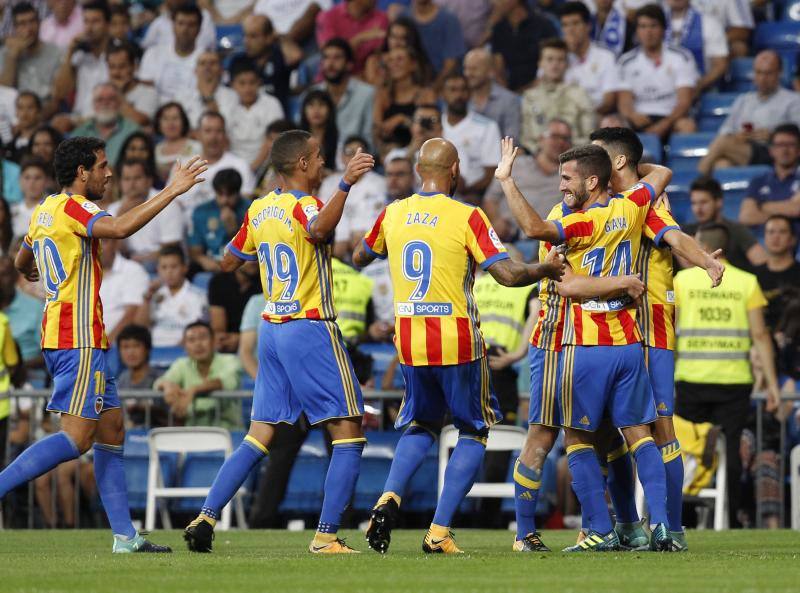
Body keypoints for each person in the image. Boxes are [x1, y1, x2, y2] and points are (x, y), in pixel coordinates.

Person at [354, 137, 563, 554]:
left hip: (410, 339)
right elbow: (504, 274)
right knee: (473, 430)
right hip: (456, 338)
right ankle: (438, 531)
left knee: (422, 424)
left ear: (418, 171)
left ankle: (389, 497)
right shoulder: (468, 215)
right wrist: (545, 268)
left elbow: (360, 257)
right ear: (454, 171)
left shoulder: (392, 213)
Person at [3, 136, 206, 552]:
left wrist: (31, 271)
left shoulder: (44, 211)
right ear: (82, 173)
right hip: (76, 340)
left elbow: (21, 260)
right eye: (102, 165)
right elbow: (119, 228)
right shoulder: (78, 207)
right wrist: (172, 189)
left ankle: (125, 537)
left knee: (112, 433)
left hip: (77, 337)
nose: (108, 172)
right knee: (76, 439)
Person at [183, 130, 376, 554]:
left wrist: (264, 245)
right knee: (348, 430)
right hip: (309, 325)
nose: (324, 164)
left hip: (271, 325)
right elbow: (320, 230)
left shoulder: (260, 208)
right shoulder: (307, 204)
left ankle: (205, 517)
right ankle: (326, 536)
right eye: (319, 158)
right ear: (303, 164)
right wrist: (346, 184)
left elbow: (228, 260)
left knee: (259, 433)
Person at [496, 139, 675, 551]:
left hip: (577, 341)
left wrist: (506, 179)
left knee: (567, 438)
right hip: (626, 338)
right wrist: (622, 169)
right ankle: (656, 525)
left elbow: (564, 275)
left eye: (566, 178)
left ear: (593, 180)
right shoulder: (632, 205)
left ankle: (595, 528)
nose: (560, 187)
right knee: (634, 434)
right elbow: (662, 173)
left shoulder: (572, 219)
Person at [591, 126, 725, 551]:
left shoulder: (642, 207)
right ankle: (630, 526)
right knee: (612, 433)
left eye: (597, 158)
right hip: (612, 334)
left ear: (616, 164)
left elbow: (674, 235)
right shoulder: (617, 206)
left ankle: (669, 526)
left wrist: (704, 260)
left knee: (660, 427)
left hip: (650, 332)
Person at [674, 223, 781, 527]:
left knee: (686, 452)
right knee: (732, 451)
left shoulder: (682, 281)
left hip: (691, 380)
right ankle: (730, 517)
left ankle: (684, 519)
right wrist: (772, 387)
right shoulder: (747, 282)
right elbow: (760, 336)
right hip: (734, 382)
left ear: (701, 245)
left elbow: (669, 333)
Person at [698, 51, 800, 175]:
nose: (763, 78)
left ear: (779, 73)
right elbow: (725, 129)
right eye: (759, 73)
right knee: (722, 164)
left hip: (772, 152)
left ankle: (696, 181)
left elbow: (796, 134)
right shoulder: (743, 100)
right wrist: (737, 136)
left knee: (722, 142)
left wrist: (773, 136)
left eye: (768, 73)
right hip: (743, 148)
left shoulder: (793, 100)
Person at [616, 4, 697, 139]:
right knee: (612, 126)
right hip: (639, 117)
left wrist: (665, 124)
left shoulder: (682, 57)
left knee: (687, 126)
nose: (648, 32)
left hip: (671, 117)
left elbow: (684, 102)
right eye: (643, 26)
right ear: (636, 31)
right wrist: (632, 115)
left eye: (653, 26)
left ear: (663, 29)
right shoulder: (626, 61)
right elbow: (624, 102)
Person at [483, 119, 572, 241]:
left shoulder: (571, 176)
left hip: (548, 242)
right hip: (509, 238)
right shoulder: (516, 164)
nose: (561, 142)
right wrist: (496, 220)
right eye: (555, 137)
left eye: (565, 139)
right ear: (541, 140)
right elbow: (490, 199)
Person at [155, 321, 243, 429]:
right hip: (193, 434)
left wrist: (194, 390)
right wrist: (167, 386)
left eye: (203, 338)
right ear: (185, 346)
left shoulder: (230, 360)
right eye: (191, 340)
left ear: (213, 341)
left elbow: (227, 381)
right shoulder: (181, 364)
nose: (198, 344)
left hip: (228, 433)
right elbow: (159, 382)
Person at [520, 38, 595, 154]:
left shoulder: (580, 95)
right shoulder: (529, 97)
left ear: (567, 64)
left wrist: (567, 152)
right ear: (540, 63)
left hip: (574, 158)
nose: (555, 64)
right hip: (539, 160)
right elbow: (526, 138)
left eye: (560, 60)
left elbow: (589, 135)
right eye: (549, 59)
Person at [177, 111, 256, 220]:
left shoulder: (241, 166)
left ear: (225, 135)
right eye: (208, 131)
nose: (213, 137)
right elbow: (173, 203)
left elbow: (246, 207)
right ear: (197, 134)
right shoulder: (184, 166)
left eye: (219, 131)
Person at [320, 136, 387, 260]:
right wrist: (342, 238)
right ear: (341, 157)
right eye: (349, 153)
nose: (354, 157)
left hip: (368, 250)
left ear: (367, 157)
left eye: (359, 153)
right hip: (336, 249)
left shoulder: (379, 183)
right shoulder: (329, 183)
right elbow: (324, 216)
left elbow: (379, 219)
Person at [682, 176, 767, 271]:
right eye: (694, 203)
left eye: (703, 202)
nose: (698, 209)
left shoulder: (737, 230)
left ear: (719, 202)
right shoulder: (686, 232)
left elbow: (762, 262)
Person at [441, 73, 501, 204]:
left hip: (475, 198)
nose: (459, 95)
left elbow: (492, 173)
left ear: (469, 93)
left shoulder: (487, 126)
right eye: (453, 90)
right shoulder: (436, 127)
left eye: (463, 90)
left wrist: (464, 191)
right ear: (443, 94)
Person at [136, 245, 209, 348]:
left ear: (184, 268)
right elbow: (139, 328)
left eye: (174, 267)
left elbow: (198, 332)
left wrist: (175, 352)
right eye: (164, 267)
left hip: (183, 350)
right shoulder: (153, 295)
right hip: (152, 350)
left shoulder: (198, 296)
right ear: (158, 270)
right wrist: (147, 299)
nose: (169, 272)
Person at [51, 0, 111, 123]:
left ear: (107, 25)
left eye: (95, 21)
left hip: (107, 117)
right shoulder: (78, 55)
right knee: (57, 123)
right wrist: (70, 52)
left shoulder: (119, 53)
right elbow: (60, 93)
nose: (89, 28)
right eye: (86, 21)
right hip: (79, 118)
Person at [226, 14, 300, 112]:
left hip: (276, 117)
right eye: (245, 35)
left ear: (269, 38)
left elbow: (295, 57)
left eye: (253, 36)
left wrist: (279, 37)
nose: (246, 41)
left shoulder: (279, 56)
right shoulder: (238, 61)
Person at [312, 38, 376, 147]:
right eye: (326, 58)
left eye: (337, 58)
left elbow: (370, 139)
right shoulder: (312, 94)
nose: (330, 63)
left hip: (357, 158)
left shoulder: (367, 93)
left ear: (349, 64)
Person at [221, 61, 285, 170]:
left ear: (259, 83)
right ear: (232, 85)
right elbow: (223, 140)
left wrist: (251, 169)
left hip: (266, 165)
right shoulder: (226, 105)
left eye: (252, 83)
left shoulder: (272, 104)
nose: (247, 89)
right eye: (242, 83)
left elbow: (274, 140)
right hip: (233, 166)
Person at [138, 3, 205, 105]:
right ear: (172, 25)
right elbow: (145, 91)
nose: (185, 30)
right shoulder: (153, 54)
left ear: (199, 29)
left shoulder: (206, 59)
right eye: (181, 23)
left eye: (191, 25)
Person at [0, 2, 62, 110]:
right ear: (15, 28)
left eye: (32, 21)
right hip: (14, 111)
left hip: (44, 109)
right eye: (22, 23)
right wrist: (13, 57)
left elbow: (56, 96)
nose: (29, 28)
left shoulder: (56, 52)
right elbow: (5, 91)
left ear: (39, 23)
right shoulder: (6, 54)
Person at [373, 46, 435, 155]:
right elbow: (376, 130)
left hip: (419, 152)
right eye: (391, 60)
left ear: (413, 64)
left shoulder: (425, 94)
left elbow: (429, 130)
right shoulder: (383, 95)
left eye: (400, 59)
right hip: (389, 154)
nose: (394, 64)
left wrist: (402, 119)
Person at [739, 124, 800, 231]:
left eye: (790, 144)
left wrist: (763, 206)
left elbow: (796, 209)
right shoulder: (758, 181)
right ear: (771, 150)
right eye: (780, 145)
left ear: (798, 150)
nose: (785, 150)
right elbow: (746, 217)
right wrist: (785, 208)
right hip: (762, 243)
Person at [560, 2, 617, 116]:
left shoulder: (606, 56)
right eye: (565, 25)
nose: (570, 30)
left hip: (596, 117)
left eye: (575, 23)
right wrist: (564, 55)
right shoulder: (557, 56)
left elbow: (609, 101)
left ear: (588, 26)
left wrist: (584, 117)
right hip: (562, 119)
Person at [189, 168, 250, 272]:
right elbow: (195, 250)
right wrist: (204, 260)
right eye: (220, 194)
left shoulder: (251, 210)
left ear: (238, 192)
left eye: (229, 195)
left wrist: (234, 231)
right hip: (211, 267)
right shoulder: (202, 212)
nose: (224, 200)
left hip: (240, 268)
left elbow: (253, 253)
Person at [490, 0, 558, 92]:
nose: (494, 3)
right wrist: (509, 94)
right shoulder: (499, 30)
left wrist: (527, 91)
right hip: (510, 94)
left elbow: (553, 61)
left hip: (542, 89)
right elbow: (498, 69)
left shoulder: (543, 25)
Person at [664, 0, 729, 94]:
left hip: (700, 90)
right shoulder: (653, 24)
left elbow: (720, 65)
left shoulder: (709, 23)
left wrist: (699, 85)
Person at [71, 83, 141, 168]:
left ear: (119, 103)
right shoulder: (79, 133)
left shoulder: (133, 131)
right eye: (100, 100)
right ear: (93, 104)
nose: (105, 103)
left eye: (111, 99)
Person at [315, 0, 389, 75]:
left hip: (366, 76)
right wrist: (360, 38)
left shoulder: (381, 18)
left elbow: (379, 54)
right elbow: (332, 55)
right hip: (334, 78)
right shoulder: (327, 16)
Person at [753, 215, 800, 331]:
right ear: (764, 238)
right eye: (771, 232)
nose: (776, 237)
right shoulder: (752, 276)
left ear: (793, 239)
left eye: (782, 232)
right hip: (760, 343)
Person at [98, 239, 149, 344]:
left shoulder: (133, 270)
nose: (98, 248)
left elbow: (132, 313)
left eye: (103, 242)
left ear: (115, 243)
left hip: (116, 345)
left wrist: (106, 343)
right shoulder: (83, 274)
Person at [463, 47, 521, 141]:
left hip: (499, 153)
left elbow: (512, 139)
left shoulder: (509, 100)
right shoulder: (460, 99)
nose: (468, 73)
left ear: (490, 71)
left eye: (474, 69)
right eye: (466, 68)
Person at [116, 324, 168, 428]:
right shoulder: (122, 379)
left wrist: (146, 409)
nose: (130, 352)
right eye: (125, 347)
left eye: (136, 346)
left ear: (147, 349)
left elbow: (174, 418)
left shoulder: (163, 379)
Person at [405, 0, 464, 89]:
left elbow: (451, 64)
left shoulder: (449, 21)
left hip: (442, 89)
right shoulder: (403, 18)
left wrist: (433, 90)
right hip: (408, 89)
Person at [175, 50, 238, 131]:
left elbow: (226, 127)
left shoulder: (232, 96)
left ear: (221, 70)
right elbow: (178, 128)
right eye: (202, 63)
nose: (207, 67)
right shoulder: (181, 96)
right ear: (195, 70)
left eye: (213, 63)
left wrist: (209, 97)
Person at [105, 41, 158, 128]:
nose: (116, 72)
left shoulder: (149, 93)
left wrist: (117, 93)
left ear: (134, 67)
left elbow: (139, 121)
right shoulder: (100, 91)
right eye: (111, 67)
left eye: (122, 67)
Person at [140, 0, 217, 53]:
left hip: (196, 63)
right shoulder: (159, 22)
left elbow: (208, 46)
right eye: (181, 23)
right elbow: (147, 48)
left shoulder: (204, 16)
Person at [154, 102, 203, 182]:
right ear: (159, 123)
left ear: (183, 122)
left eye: (175, 118)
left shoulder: (196, 147)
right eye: (165, 118)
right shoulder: (156, 149)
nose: (170, 123)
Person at [253, 0, 329, 44]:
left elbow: (318, 8)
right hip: (274, 43)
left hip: (307, 40)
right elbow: (257, 23)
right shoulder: (263, 3)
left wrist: (286, 41)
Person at [11, 156, 49, 241]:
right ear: (20, 180)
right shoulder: (11, 212)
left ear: (46, 181)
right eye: (27, 177)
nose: (32, 182)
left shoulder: (53, 210)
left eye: (37, 178)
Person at [9, 90, 43, 161]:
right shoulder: (9, 144)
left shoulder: (45, 141)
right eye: (20, 108)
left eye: (30, 108)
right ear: (16, 112)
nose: (24, 114)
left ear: (39, 112)